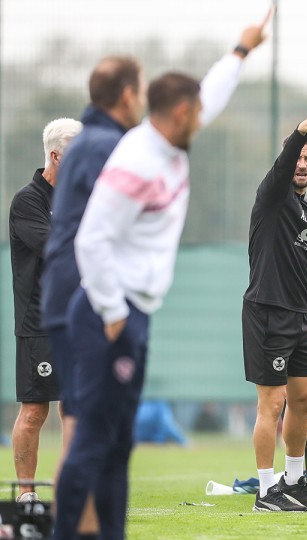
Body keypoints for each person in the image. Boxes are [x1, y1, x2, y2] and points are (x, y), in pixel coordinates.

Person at [54, 16, 270, 538]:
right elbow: (90, 241)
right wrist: (111, 315)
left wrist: (241, 50)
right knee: (92, 440)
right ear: (179, 113)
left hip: (131, 312)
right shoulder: (136, 162)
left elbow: (210, 96)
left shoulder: (169, 138)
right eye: (195, 113)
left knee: (118, 441)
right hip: (112, 312)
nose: (204, 118)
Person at [40, 53, 146, 539]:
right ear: (127, 95)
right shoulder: (106, 145)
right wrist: (110, 306)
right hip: (87, 301)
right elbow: (103, 235)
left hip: (66, 298)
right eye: (141, 90)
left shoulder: (88, 142)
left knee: (84, 433)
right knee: (94, 439)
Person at [243, 104, 307, 512]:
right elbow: (283, 163)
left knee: (303, 398)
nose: (302, 163)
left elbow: (304, 266)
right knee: (271, 403)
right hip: (267, 311)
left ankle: (294, 481)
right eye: (296, 156)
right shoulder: (272, 195)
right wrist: (298, 133)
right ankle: (264, 491)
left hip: (297, 316)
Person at [9, 118, 82, 503]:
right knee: (35, 411)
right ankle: (26, 494)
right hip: (40, 323)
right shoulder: (28, 201)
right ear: (55, 155)